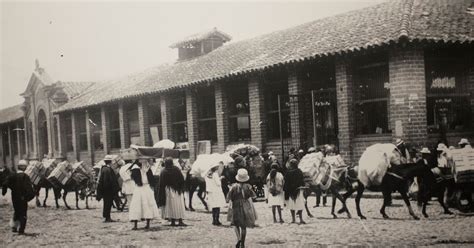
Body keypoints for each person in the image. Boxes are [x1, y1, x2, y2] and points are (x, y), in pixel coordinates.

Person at [2, 160, 35, 234]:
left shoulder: (12, 175)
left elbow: (5, 184)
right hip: (23, 198)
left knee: (17, 211)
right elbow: (29, 189)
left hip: (14, 198)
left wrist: (4, 192)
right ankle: (21, 230)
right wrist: (28, 197)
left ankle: (14, 226)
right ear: (24, 168)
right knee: (23, 213)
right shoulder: (25, 176)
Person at [227, 168, 257, 248]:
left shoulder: (234, 187)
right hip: (245, 206)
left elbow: (228, 197)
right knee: (243, 226)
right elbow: (254, 196)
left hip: (236, 206)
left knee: (235, 224)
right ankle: (243, 243)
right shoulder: (248, 186)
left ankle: (238, 239)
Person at [129, 160, 159, 230]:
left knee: (137, 205)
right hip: (146, 187)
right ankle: (147, 224)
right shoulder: (147, 168)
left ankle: (136, 225)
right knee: (147, 205)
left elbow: (134, 178)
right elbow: (152, 179)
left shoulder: (135, 168)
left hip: (139, 188)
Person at [158, 157, 186, 226]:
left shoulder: (163, 171)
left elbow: (161, 183)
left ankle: (173, 221)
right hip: (177, 190)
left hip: (169, 190)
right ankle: (180, 220)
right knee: (179, 205)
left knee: (171, 205)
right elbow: (182, 179)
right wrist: (181, 188)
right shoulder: (176, 169)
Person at [96, 155, 121, 222]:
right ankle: (107, 217)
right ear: (110, 162)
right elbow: (109, 181)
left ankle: (106, 216)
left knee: (106, 203)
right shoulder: (108, 170)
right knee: (108, 204)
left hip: (105, 190)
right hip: (108, 190)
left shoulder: (103, 169)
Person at [284, 159, 306, 224]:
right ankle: (301, 219)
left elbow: (286, 183)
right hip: (298, 190)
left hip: (291, 191)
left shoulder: (288, 172)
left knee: (292, 205)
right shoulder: (299, 171)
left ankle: (293, 219)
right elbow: (302, 180)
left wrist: (286, 191)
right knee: (300, 204)